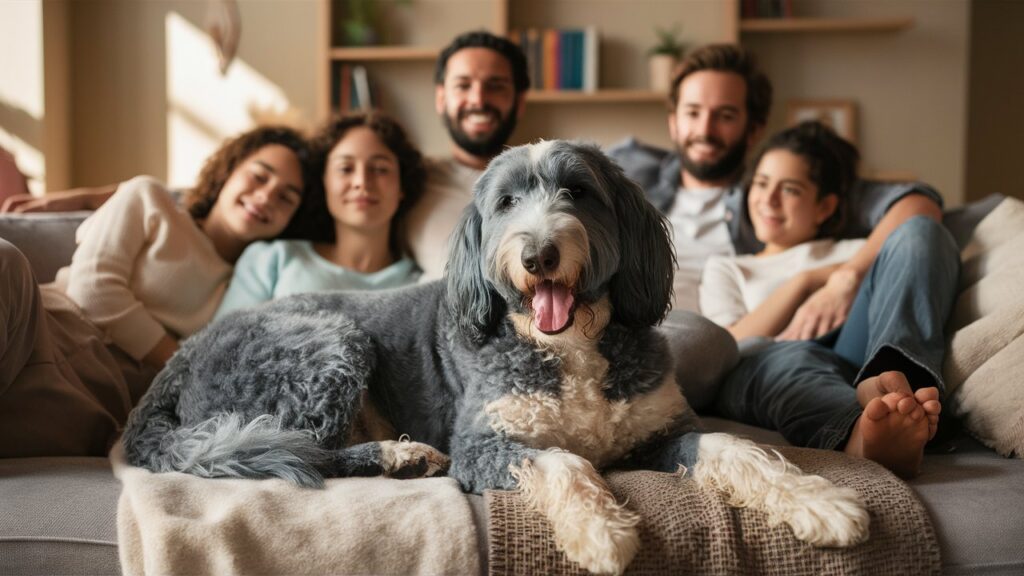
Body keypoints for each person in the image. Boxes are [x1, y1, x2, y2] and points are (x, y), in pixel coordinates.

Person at [0, 125, 314, 458]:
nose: (265, 197)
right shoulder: (150, 199)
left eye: (286, 197)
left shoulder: (254, 279)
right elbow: (93, 289)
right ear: (228, 170)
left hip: (93, 400)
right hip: (43, 331)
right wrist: (182, 362)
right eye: (259, 176)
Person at [607, 43, 944, 325]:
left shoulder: (779, 192)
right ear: (673, 122)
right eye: (693, 113)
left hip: (709, 344)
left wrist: (848, 276)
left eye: (725, 116)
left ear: (754, 129)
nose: (705, 130)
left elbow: (916, 204)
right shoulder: (630, 175)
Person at [701, 121, 960, 478]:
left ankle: (896, 385)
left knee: (922, 234)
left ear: (824, 207)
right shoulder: (730, 268)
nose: (769, 199)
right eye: (761, 184)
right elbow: (729, 345)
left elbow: (920, 216)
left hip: (856, 357)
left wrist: (847, 277)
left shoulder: (856, 251)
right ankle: (864, 434)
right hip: (770, 362)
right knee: (790, 359)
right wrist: (806, 283)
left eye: (789, 189)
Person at [214, 111, 425, 319]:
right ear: (324, 182)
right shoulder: (272, 259)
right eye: (345, 168)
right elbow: (219, 348)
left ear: (402, 186)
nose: (362, 181)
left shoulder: (422, 286)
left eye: (380, 169)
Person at [405, 30, 530, 280]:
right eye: (463, 85)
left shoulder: (549, 180)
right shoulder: (409, 180)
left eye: (496, 86)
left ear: (519, 102)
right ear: (441, 99)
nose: (478, 99)